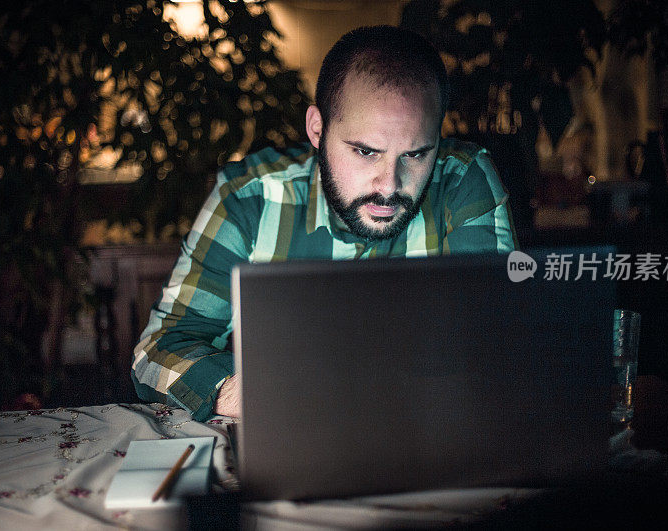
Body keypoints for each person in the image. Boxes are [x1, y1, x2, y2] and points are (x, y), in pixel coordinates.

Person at [131, 25, 517, 421]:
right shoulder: (249, 198)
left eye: (416, 155)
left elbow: (492, 345)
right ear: (317, 129)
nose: (389, 186)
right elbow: (158, 350)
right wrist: (234, 391)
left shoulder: (464, 182)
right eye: (366, 151)